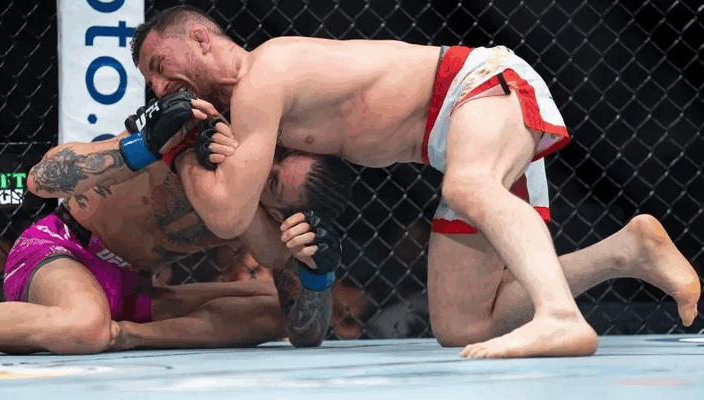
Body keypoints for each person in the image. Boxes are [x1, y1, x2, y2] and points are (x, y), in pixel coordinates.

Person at [129, 5, 701, 358]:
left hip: (478, 84)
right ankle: (628, 251)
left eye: (159, 66)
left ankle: (561, 319)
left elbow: (228, 212)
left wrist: (178, 148)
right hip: (451, 137)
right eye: (151, 81)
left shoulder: (264, 72)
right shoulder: (246, 114)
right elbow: (254, 234)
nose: (159, 88)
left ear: (200, 38)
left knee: (469, 187)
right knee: (462, 324)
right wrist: (197, 148)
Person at [0, 97, 353, 354]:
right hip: (61, 249)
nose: (260, 170)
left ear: (284, 211)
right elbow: (41, 179)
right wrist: (143, 145)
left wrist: (319, 276)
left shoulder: (265, 224)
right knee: (84, 326)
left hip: (131, 290)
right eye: (273, 158)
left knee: (273, 306)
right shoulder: (194, 134)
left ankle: (126, 336)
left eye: (272, 184)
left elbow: (304, 331)